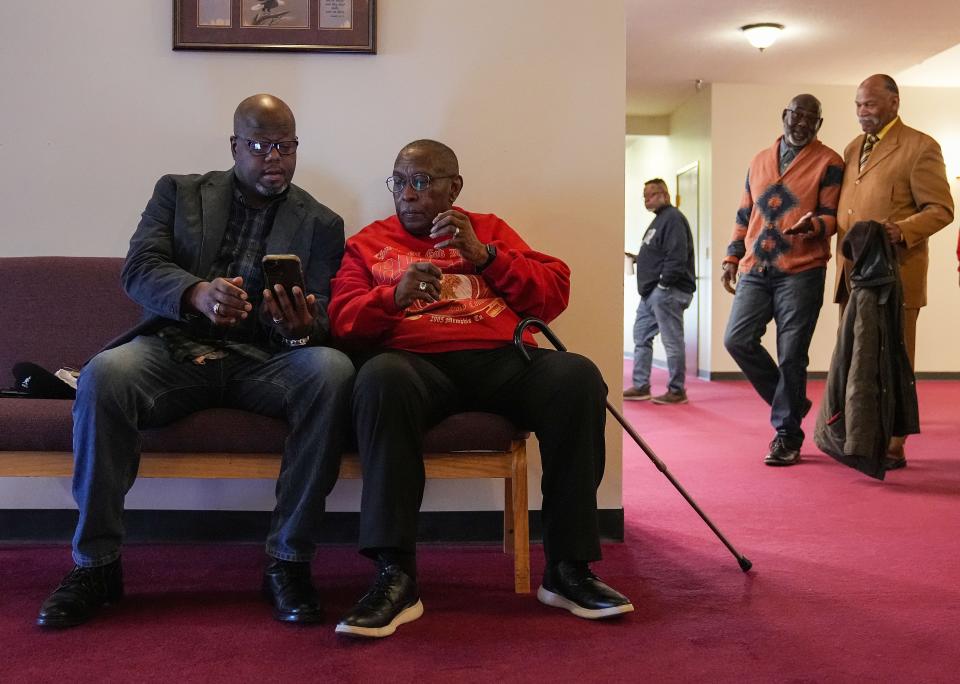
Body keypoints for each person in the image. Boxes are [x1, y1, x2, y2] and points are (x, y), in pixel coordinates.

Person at [36, 94, 355, 628]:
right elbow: (139, 267)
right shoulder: (179, 193)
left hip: (265, 360)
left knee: (331, 370)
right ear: (234, 146)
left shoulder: (322, 221)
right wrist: (196, 293)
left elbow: (326, 312)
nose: (273, 157)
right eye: (259, 145)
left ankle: (288, 562)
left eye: (286, 146)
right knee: (105, 374)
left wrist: (301, 325)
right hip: (175, 351)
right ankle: (96, 565)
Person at [328, 139, 633, 638]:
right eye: (399, 181)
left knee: (576, 377)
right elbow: (340, 322)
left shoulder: (486, 229)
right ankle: (395, 576)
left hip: (500, 359)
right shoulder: (368, 243)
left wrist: (486, 257)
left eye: (421, 182)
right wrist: (390, 298)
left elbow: (554, 291)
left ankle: (568, 570)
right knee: (379, 378)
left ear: (454, 187)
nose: (406, 193)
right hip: (413, 363)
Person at [835, 74, 954, 469]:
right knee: (855, 360)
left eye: (869, 104)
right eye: (857, 105)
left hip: (895, 278)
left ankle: (893, 440)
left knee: (891, 361)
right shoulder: (854, 148)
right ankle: (859, 436)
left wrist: (900, 230)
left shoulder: (920, 147)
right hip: (853, 275)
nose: (862, 112)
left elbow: (941, 209)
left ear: (894, 103)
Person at [721, 94, 844, 466]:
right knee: (737, 339)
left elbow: (833, 216)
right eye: (796, 115)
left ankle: (787, 434)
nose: (802, 123)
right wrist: (731, 255)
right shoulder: (759, 160)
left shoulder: (829, 162)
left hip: (802, 269)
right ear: (784, 116)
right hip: (755, 268)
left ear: (819, 124)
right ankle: (793, 401)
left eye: (811, 118)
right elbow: (745, 212)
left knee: (792, 355)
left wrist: (815, 225)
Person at [624, 179, 696, 404]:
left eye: (652, 194)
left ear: (664, 194)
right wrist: (637, 258)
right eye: (644, 195)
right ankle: (641, 385)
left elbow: (677, 254)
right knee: (641, 336)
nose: (647, 199)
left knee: (672, 340)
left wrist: (663, 284)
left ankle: (677, 390)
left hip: (667, 291)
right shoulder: (658, 221)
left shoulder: (673, 218)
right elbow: (657, 253)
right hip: (651, 293)